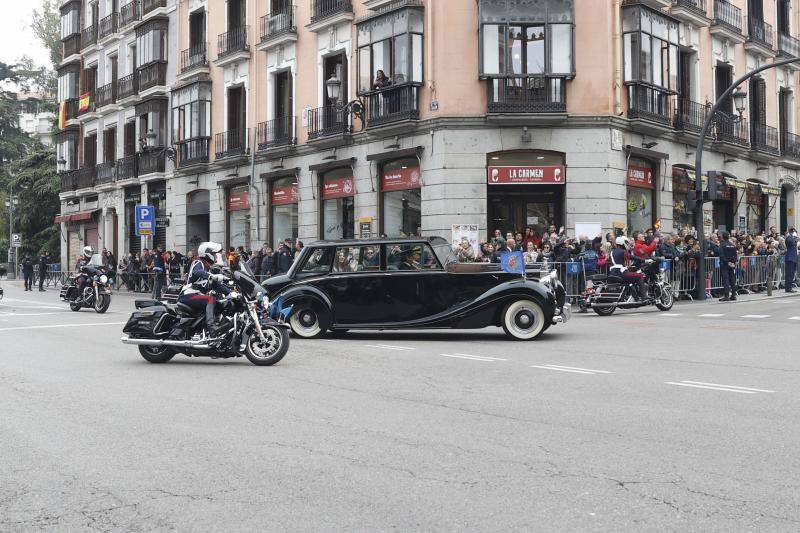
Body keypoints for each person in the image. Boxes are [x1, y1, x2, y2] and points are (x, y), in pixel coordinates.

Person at [177, 242, 234, 336]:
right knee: (210, 299)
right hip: (188, 296)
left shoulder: (208, 267)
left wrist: (231, 294)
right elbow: (197, 272)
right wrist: (213, 276)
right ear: (208, 253)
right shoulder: (198, 262)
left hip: (197, 296)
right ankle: (211, 327)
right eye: (215, 254)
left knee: (221, 304)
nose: (216, 256)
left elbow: (217, 286)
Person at [719, 231, 738, 301]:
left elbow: (721, 255)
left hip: (725, 264)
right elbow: (735, 254)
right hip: (732, 264)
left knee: (726, 279)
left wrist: (727, 262)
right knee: (732, 279)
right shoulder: (732, 244)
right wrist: (734, 262)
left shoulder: (722, 244)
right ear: (729, 236)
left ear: (722, 237)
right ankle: (733, 295)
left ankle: (726, 295)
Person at [785, 227, 798, 293]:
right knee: (789, 274)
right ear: (792, 232)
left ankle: (789, 287)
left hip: (793, 258)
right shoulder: (789, 238)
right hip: (790, 258)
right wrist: (793, 237)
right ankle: (788, 288)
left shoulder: (793, 239)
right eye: (795, 232)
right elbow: (789, 241)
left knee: (792, 274)